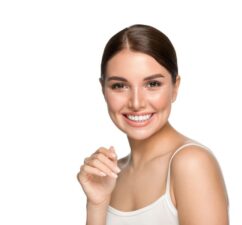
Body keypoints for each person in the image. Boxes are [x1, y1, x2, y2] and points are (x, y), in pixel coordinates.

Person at [77, 24, 229, 225]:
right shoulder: (112, 175)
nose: (137, 103)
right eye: (119, 86)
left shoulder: (191, 163)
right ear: (103, 89)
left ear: (175, 87)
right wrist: (96, 205)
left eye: (153, 84)